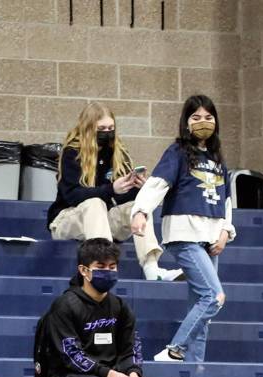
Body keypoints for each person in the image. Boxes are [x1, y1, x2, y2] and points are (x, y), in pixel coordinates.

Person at [38, 238, 170, 377]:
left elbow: (131, 348)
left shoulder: (120, 307)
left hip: (112, 376)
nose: (108, 272)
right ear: (83, 270)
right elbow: (71, 355)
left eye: (112, 267)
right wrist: (108, 374)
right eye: (100, 267)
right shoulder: (64, 306)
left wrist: (134, 374)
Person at [131, 94, 233, 364]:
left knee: (200, 309)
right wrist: (141, 211)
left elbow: (227, 200)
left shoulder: (218, 159)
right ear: (186, 123)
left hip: (211, 237)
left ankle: (194, 371)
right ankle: (175, 350)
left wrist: (225, 231)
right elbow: (158, 183)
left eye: (208, 117)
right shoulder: (176, 152)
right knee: (214, 296)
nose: (203, 122)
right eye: (196, 117)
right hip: (184, 234)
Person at [47, 102, 181, 282]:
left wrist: (137, 188)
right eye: (101, 128)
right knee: (95, 202)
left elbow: (119, 196)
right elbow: (72, 195)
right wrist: (111, 189)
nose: (107, 132)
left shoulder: (117, 151)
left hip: (102, 218)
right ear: (88, 128)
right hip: (66, 220)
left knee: (137, 207)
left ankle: (152, 268)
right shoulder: (72, 152)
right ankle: (103, 266)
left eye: (111, 127)